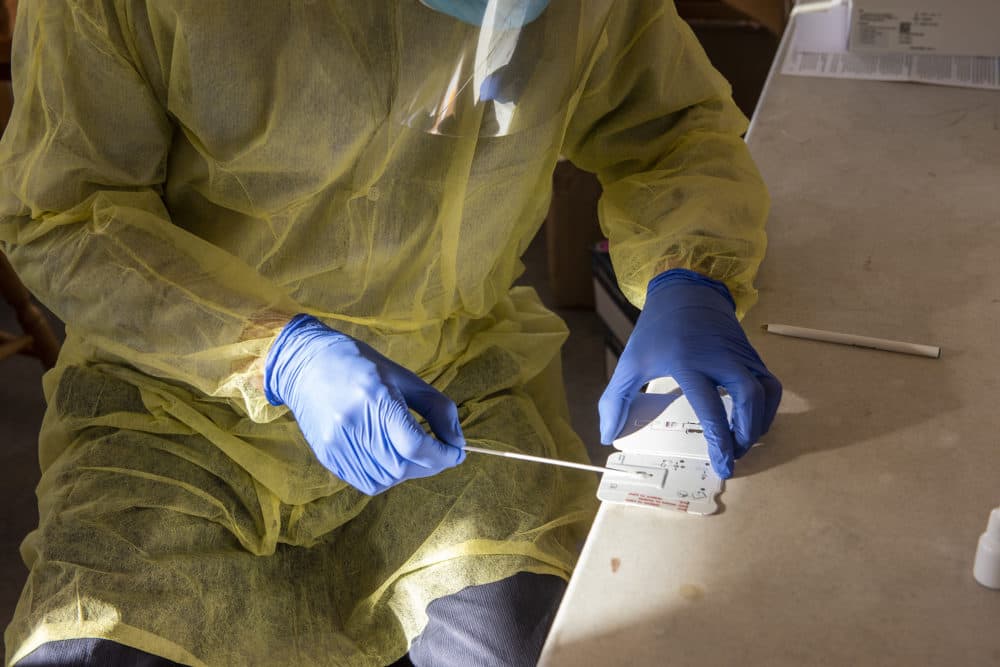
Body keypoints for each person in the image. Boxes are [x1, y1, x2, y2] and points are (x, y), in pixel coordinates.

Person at [0, 0, 781, 665]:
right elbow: (65, 213)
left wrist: (690, 273)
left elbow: (675, 130)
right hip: (175, 413)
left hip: (453, 387)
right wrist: (279, 352)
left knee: (545, 641)